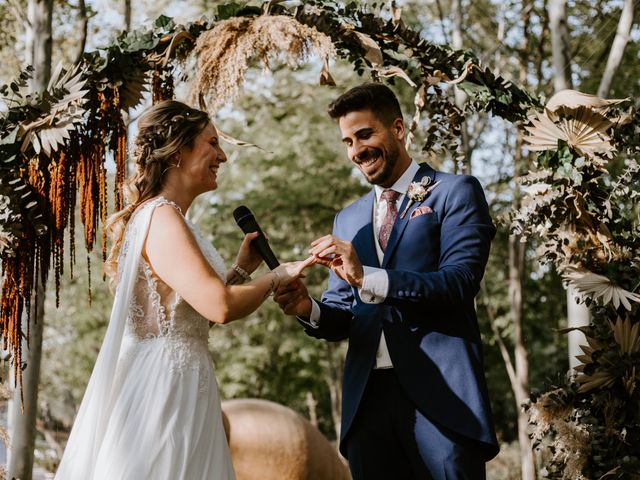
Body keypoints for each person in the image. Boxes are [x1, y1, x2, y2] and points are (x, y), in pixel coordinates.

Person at [55, 100, 314, 480]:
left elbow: (186, 314)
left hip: (187, 380)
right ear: (178, 151)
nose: (222, 156)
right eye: (212, 143)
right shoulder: (161, 217)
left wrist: (241, 270)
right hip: (163, 388)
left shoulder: (171, 218)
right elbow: (219, 307)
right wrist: (278, 276)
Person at [274, 83, 499, 479]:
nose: (356, 150)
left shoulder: (454, 192)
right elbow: (344, 313)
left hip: (442, 402)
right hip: (367, 406)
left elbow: (459, 282)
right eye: (347, 141)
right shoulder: (348, 219)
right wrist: (306, 308)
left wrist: (366, 276)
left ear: (398, 128)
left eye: (365, 134)